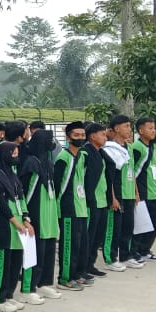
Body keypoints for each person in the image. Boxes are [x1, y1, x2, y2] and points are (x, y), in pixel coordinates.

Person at [0, 141, 33, 311]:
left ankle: (8, 295)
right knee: (2, 261)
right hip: (4, 224)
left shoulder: (12, 174)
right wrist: (16, 222)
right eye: (13, 153)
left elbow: (21, 198)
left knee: (15, 262)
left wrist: (26, 219)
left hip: (18, 225)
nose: (16, 156)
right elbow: (1, 203)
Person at [19, 128, 61, 300]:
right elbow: (23, 190)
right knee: (35, 250)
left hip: (49, 212)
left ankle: (44, 283)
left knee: (49, 248)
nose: (52, 144)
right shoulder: (30, 163)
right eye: (49, 140)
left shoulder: (48, 163)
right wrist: (25, 214)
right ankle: (28, 288)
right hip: (35, 211)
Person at [102, 115, 140, 271]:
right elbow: (110, 176)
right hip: (118, 194)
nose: (129, 130)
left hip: (129, 193)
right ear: (116, 128)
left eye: (130, 126)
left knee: (128, 227)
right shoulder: (110, 148)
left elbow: (132, 171)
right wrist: (112, 197)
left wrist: (136, 192)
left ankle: (126, 256)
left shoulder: (129, 147)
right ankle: (110, 258)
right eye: (126, 126)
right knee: (114, 229)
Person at [55, 121, 89, 291]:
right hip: (68, 207)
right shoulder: (63, 157)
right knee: (69, 244)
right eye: (76, 135)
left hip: (81, 206)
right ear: (68, 138)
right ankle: (65, 278)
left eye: (83, 135)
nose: (80, 138)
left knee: (81, 244)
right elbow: (58, 184)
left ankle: (77, 274)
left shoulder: (82, 156)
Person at [81, 122, 110, 282]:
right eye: (102, 134)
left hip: (102, 200)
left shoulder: (101, 153)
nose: (105, 137)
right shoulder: (86, 153)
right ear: (92, 136)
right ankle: (83, 267)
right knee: (89, 236)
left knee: (98, 236)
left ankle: (90, 264)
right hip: (91, 201)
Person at [131, 117, 156, 262]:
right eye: (150, 128)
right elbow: (132, 171)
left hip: (154, 192)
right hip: (142, 192)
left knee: (154, 224)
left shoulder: (152, 146)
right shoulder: (137, 148)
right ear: (141, 131)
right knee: (140, 224)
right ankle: (135, 251)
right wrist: (135, 192)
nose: (153, 131)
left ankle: (145, 250)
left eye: (154, 128)